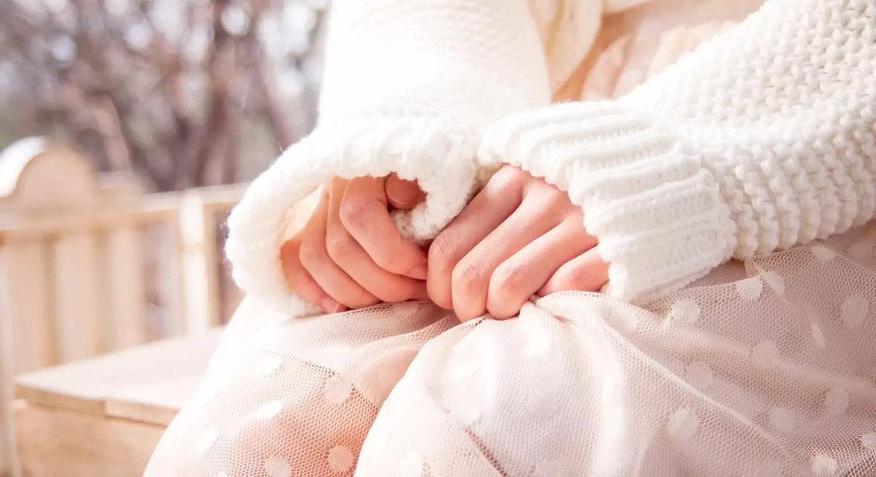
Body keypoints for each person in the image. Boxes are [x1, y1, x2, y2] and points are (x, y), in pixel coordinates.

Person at [146, 0, 876, 475]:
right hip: (524, 139)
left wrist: (687, 151)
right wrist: (409, 114)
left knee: (498, 419)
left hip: (818, 136)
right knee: (262, 423)